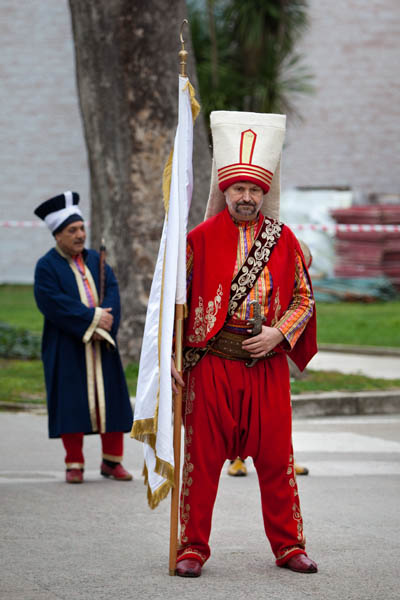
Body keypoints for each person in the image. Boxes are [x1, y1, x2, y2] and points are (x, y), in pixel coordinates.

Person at [172, 111, 318, 577]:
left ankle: (289, 545)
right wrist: (172, 355)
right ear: (225, 191)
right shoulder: (195, 239)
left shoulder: (285, 238)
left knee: (277, 460)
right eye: (239, 189)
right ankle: (191, 547)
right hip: (212, 365)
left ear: (265, 193)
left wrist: (279, 333)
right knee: (201, 460)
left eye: (255, 190)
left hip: (268, 365)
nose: (248, 197)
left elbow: (303, 297)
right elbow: (175, 305)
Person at [34, 191, 133, 484]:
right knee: (71, 402)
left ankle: (112, 462)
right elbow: (52, 302)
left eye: (81, 229)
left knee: (112, 401)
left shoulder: (97, 261)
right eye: (72, 231)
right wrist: (91, 318)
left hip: (102, 343)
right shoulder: (46, 266)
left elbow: (113, 290)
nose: (80, 235)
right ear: (58, 236)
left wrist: (106, 319)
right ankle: (73, 463)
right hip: (68, 344)